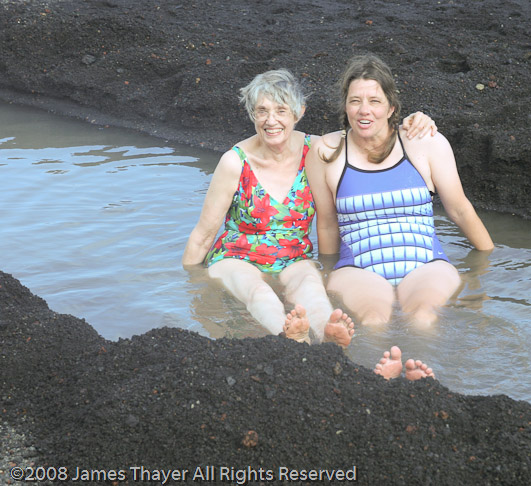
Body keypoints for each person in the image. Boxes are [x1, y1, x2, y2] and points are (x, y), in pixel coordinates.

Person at [182, 68, 436, 346]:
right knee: (259, 293)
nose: (271, 121)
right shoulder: (235, 161)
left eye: (281, 110)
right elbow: (204, 234)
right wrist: (190, 285)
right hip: (236, 257)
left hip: (293, 255)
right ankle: (292, 339)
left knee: (313, 290)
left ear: (299, 111)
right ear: (252, 114)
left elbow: (372, 136)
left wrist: (412, 122)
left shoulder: (317, 150)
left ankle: (332, 341)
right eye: (261, 111)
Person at [306, 54, 495, 329]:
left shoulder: (424, 142)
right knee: (373, 321)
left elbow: (459, 210)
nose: (364, 110)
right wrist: (325, 275)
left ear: (392, 107)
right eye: (355, 101)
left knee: (422, 317)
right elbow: (326, 225)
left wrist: (488, 262)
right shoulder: (325, 152)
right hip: (358, 270)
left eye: (375, 101)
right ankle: (372, 372)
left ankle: (423, 372)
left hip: (426, 265)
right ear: (345, 106)